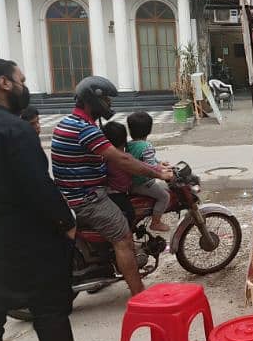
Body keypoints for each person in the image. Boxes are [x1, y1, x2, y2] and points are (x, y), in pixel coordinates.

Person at [0, 58, 91, 341]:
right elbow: (39, 186)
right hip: (26, 238)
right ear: (4, 83)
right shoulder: (14, 128)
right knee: (49, 309)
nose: (25, 86)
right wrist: (66, 224)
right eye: (21, 80)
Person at [51, 76, 173, 297]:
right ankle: (139, 294)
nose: (109, 104)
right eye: (106, 100)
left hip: (76, 192)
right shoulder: (84, 129)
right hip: (88, 198)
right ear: (93, 100)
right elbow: (122, 160)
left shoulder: (72, 122)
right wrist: (158, 173)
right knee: (124, 238)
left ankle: (102, 268)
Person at [126, 111, 171, 232]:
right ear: (149, 130)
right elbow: (150, 167)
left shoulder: (128, 145)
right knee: (165, 196)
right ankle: (156, 222)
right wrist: (163, 172)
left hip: (130, 183)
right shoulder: (147, 146)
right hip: (143, 183)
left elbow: (143, 161)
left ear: (130, 130)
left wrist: (159, 163)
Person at [102, 121, 135, 225]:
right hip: (118, 194)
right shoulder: (125, 158)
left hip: (108, 192)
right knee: (130, 215)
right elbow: (140, 170)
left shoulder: (105, 157)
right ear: (124, 139)